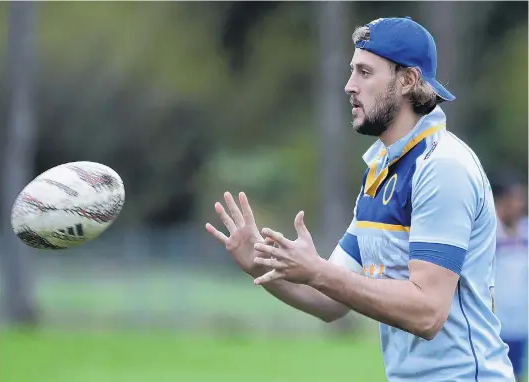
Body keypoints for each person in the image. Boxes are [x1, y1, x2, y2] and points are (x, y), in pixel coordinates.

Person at [205, 16, 516, 381]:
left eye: (365, 73)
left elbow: (429, 312)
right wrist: (262, 267)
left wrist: (318, 271)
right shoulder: (381, 171)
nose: (349, 86)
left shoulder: (443, 166)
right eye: (352, 71)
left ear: (408, 81)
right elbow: (330, 300)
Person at [491, 172, 528, 382]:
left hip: (519, 323)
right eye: (515, 199)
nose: (520, 204)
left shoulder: (525, 231)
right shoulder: (490, 230)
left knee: (518, 375)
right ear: (503, 201)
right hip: (495, 322)